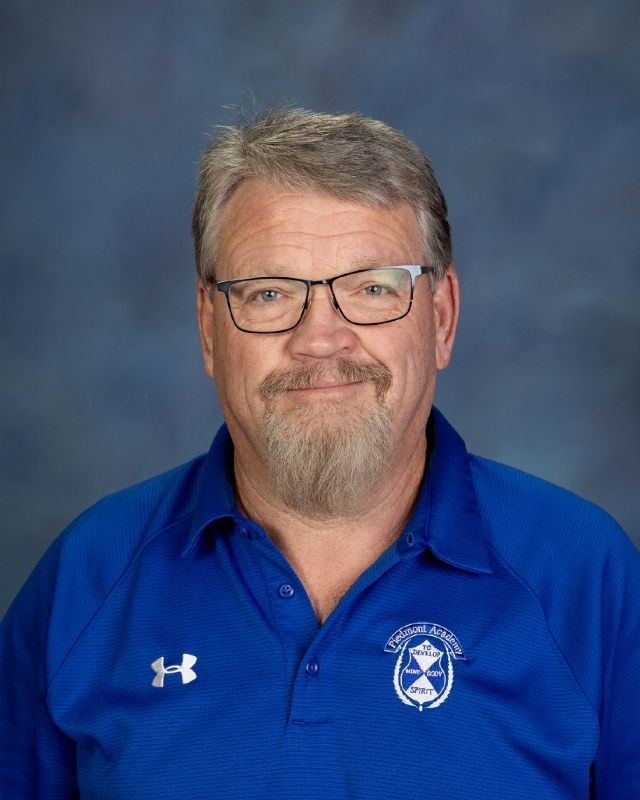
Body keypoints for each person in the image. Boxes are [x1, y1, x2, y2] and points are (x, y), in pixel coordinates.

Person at [1, 107, 638, 800]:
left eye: (372, 288)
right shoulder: (87, 580)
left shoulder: (587, 577)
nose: (321, 340)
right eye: (269, 293)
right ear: (210, 332)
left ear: (443, 318)